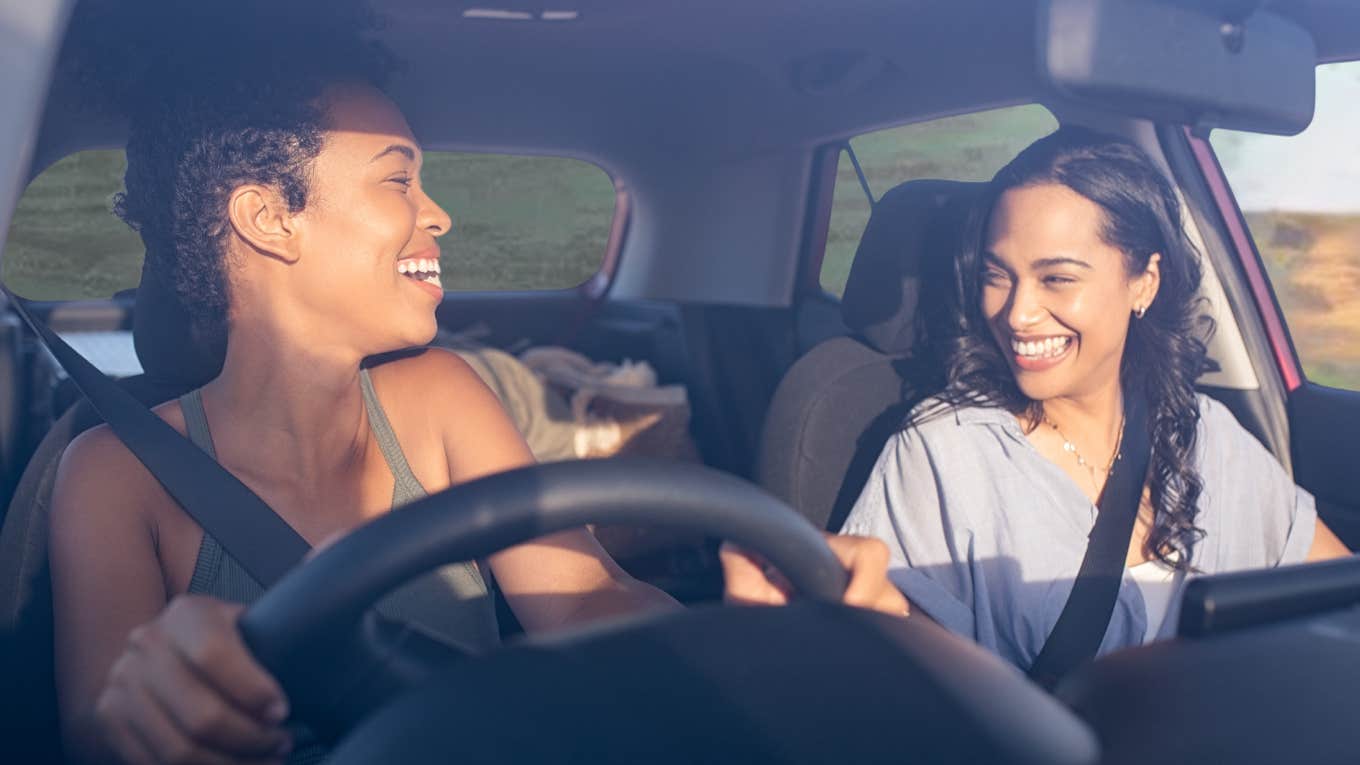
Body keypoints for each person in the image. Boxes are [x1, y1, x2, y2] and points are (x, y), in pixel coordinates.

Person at [46, 6, 905, 764]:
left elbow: (585, 597)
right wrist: (154, 691)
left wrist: (741, 634)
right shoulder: (113, 474)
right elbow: (95, 724)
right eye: (398, 178)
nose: (440, 213)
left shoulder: (442, 397)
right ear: (270, 219)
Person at [834, 127, 1351, 670]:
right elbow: (902, 667)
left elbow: (1336, 594)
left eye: (1056, 278)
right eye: (997, 276)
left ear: (1143, 283)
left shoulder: (1205, 433)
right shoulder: (942, 452)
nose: (1017, 313)